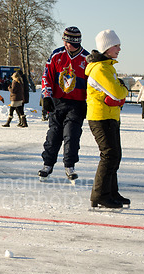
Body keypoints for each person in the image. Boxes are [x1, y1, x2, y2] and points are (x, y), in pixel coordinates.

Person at [38, 26, 90, 181]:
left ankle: (69, 165)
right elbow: (46, 76)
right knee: (53, 134)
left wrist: (89, 102)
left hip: (77, 104)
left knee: (72, 135)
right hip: (57, 102)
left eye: (68, 41)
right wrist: (46, 96)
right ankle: (48, 164)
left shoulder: (86, 59)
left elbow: (91, 84)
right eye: (65, 41)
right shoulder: (57, 55)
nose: (65, 44)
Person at [85, 29, 129, 209]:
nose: (119, 49)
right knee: (109, 155)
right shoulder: (100, 69)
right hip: (100, 117)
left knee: (114, 155)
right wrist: (123, 90)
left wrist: (120, 91)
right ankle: (100, 195)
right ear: (107, 47)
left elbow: (116, 92)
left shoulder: (108, 67)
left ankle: (111, 192)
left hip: (110, 116)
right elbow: (118, 92)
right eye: (116, 45)